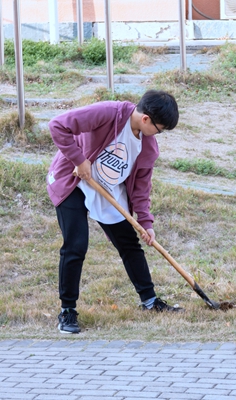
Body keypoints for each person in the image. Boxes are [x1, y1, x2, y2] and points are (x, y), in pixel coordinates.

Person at [46, 90, 182, 334]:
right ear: (146, 119)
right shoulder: (108, 113)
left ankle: (150, 302)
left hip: (107, 189)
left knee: (129, 243)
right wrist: (79, 159)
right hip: (74, 179)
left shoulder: (148, 148)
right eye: (160, 129)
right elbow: (57, 125)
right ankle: (68, 310)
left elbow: (141, 189)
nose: (158, 135)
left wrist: (146, 222)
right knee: (76, 244)